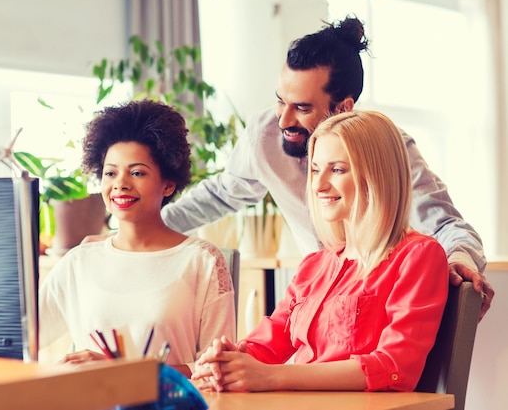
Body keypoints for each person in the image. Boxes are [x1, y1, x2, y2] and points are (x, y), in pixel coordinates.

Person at [159, 16, 493, 319]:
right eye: (280, 100)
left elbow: (448, 226)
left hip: (377, 312)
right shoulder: (265, 136)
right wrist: (146, 225)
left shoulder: (388, 151)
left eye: (302, 107)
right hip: (315, 303)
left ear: (344, 107)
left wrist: (458, 261)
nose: (284, 120)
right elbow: (221, 194)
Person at [190, 110, 449, 392]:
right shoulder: (315, 264)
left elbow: (394, 367)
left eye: (336, 169)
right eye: (315, 169)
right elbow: (267, 344)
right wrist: (228, 361)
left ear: (377, 174)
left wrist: (272, 376)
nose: (317, 185)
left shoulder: (418, 256)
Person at [39, 99, 236, 376]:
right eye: (111, 173)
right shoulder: (79, 262)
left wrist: (125, 372)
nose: (120, 183)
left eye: (137, 172)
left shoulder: (202, 261)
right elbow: (24, 339)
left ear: (168, 183)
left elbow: (217, 368)